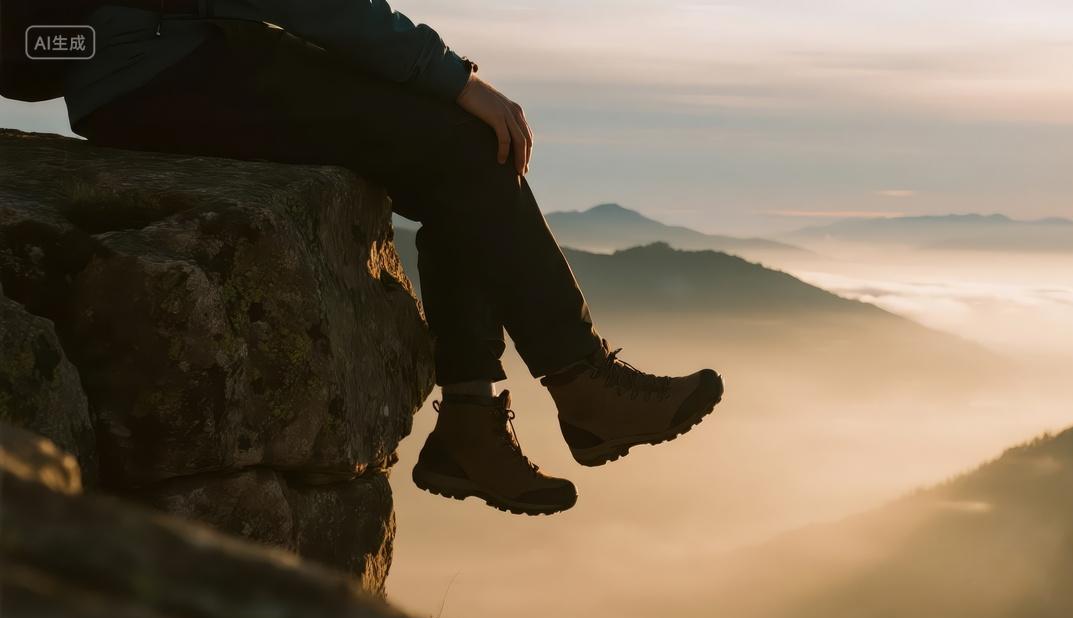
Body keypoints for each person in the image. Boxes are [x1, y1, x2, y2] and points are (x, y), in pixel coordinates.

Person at [63, 0, 722, 516]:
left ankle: (475, 421)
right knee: (467, 143)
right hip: (164, 68)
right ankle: (573, 387)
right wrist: (456, 80)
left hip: (160, 59)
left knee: (459, 154)